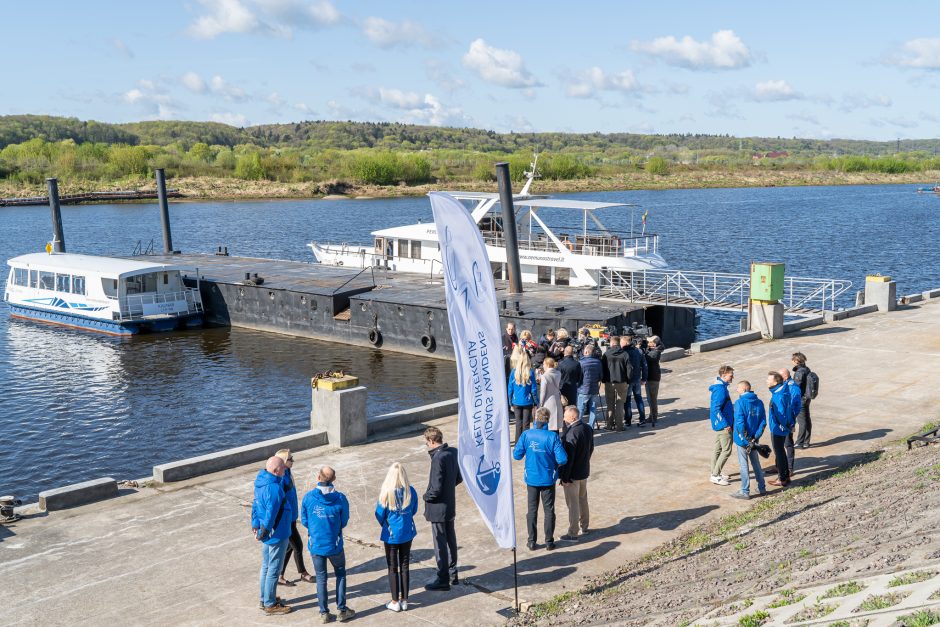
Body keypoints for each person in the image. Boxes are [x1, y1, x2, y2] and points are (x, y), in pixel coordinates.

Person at [301, 466, 355, 623]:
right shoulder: (340, 499)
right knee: (340, 574)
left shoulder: (308, 497)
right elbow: (344, 521)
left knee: (321, 577)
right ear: (334, 480)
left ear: (318, 477)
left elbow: (304, 520)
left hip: (316, 544)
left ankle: (324, 612)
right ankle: (342, 610)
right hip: (335, 545)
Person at [513, 413, 568, 550]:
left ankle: (531, 541)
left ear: (535, 419)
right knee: (549, 510)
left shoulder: (526, 435)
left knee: (532, 510)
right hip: (548, 479)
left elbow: (517, 455)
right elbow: (562, 459)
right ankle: (549, 542)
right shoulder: (552, 437)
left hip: (531, 479)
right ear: (548, 420)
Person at [375, 462, 418, 613]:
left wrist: (388, 524)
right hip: (407, 533)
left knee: (393, 568)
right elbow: (414, 510)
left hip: (391, 535)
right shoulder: (410, 491)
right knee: (405, 565)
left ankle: (395, 601)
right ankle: (405, 600)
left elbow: (379, 514)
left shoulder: (386, 493)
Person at [423, 427, 462, 591]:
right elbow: (459, 477)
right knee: (450, 540)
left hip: (438, 508)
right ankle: (453, 573)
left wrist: (426, 496)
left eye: (426, 443)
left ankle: (443, 578)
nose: (426, 446)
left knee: (440, 543)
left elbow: (436, 488)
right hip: (449, 505)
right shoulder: (453, 452)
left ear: (431, 441)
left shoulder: (438, 458)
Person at [252, 456, 293, 615]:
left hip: (267, 533)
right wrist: (264, 531)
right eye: (283, 467)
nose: (285, 469)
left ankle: (264, 598)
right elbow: (271, 514)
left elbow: (255, 504)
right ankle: (270, 604)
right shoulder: (274, 489)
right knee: (274, 569)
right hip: (277, 533)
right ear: (276, 471)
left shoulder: (260, 481)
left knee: (266, 566)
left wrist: (255, 525)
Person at [275, 449, 315, 587]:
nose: (293, 460)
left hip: (291, 516)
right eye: (290, 459)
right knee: (298, 545)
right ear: (284, 462)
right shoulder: (281, 477)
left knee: (290, 547)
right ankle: (303, 573)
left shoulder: (287, 472)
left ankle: (280, 575)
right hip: (287, 518)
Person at [558, 406, 594, 540]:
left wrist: (564, 477)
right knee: (583, 500)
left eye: (565, 416)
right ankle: (585, 527)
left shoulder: (571, 433)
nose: (563, 419)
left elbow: (568, 459)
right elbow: (591, 448)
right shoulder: (587, 428)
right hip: (584, 471)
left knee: (573, 504)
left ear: (573, 417)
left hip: (573, 476)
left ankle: (573, 532)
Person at [729, 381, 767, 499]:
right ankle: (762, 488)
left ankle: (745, 491)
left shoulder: (739, 403)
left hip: (743, 441)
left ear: (744, 389)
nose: (737, 390)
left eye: (738, 388)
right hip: (754, 440)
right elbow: (763, 422)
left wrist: (747, 440)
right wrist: (755, 437)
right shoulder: (759, 402)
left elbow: (740, 424)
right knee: (756, 463)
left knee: (743, 465)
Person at [708, 365, 735, 486]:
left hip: (720, 425)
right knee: (726, 451)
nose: (732, 377)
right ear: (723, 376)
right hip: (724, 426)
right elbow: (715, 409)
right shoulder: (720, 390)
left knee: (717, 450)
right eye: (730, 375)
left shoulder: (721, 387)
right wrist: (725, 424)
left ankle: (715, 472)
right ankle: (715, 475)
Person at [767, 372, 793, 488]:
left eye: (769, 379)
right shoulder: (783, 391)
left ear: (776, 382)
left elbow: (781, 414)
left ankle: (782, 478)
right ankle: (786, 475)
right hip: (782, 428)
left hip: (778, 429)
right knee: (781, 452)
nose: (766, 381)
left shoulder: (778, 395)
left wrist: (785, 425)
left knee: (780, 453)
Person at [508, 350, 539, 442]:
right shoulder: (530, 372)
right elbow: (533, 389)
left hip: (516, 401)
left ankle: (518, 443)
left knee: (518, 423)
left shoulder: (513, 372)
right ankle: (525, 443)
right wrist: (536, 402)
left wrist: (510, 403)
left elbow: (510, 389)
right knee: (526, 424)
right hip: (527, 401)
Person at [778, 368, 803, 475]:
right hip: (780, 420)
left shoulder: (792, 387)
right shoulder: (783, 385)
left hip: (788, 421)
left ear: (785, 376)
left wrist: (790, 419)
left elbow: (794, 406)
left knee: (788, 444)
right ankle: (778, 466)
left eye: (778, 376)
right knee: (778, 445)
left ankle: (789, 468)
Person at [622, 334, 649, 427]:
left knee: (627, 400)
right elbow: (645, 366)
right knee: (639, 399)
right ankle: (642, 419)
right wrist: (644, 378)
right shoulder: (639, 351)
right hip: (637, 379)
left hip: (628, 380)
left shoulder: (623, 353)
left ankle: (628, 420)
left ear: (625, 342)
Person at [601, 335, 627, 430]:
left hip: (609, 382)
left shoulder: (606, 354)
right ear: (619, 343)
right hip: (621, 382)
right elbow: (629, 369)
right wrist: (627, 380)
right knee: (620, 403)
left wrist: (603, 379)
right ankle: (620, 426)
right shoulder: (625, 354)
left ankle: (609, 425)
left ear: (611, 343)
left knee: (610, 404)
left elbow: (602, 369)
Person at [791, 352, 814, 449]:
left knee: (802, 421)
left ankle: (799, 442)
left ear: (796, 361)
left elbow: (797, 387)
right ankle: (806, 441)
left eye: (793, 359)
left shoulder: (799, 372)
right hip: (807, 398)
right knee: (807, 420)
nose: (792, 361)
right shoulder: (807, 369)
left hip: (801, 399)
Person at [576, 345, 603, 429]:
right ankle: (591, 427)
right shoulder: (598, 362)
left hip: (583, 389)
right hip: (594, 388)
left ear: (586, 352)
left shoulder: (581, 362)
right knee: (593, 409)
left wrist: (578, 385)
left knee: (580, 409)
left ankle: (578, 427)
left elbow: (579, 377)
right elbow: (601, 376)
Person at [539, 358, 564, 431]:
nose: (543, 366)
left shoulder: (544, 376)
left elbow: (543, 392)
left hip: (548, 401)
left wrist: (540, 404)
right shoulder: (558, 373)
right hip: (557, 399)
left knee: (549, 425)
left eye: (543, 364)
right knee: (556, 425)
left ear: (547, 365)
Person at [644, 335, 664, 425]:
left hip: (653, 377)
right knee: (650, 398)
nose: (648, 343)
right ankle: (652, 415)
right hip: (651, 376)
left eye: (650, 342)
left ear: (654, 343)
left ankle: (653, 416)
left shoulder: (656, 352)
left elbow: (648, 357)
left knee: (652, 398)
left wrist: (642, 351)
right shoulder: (655, 349)